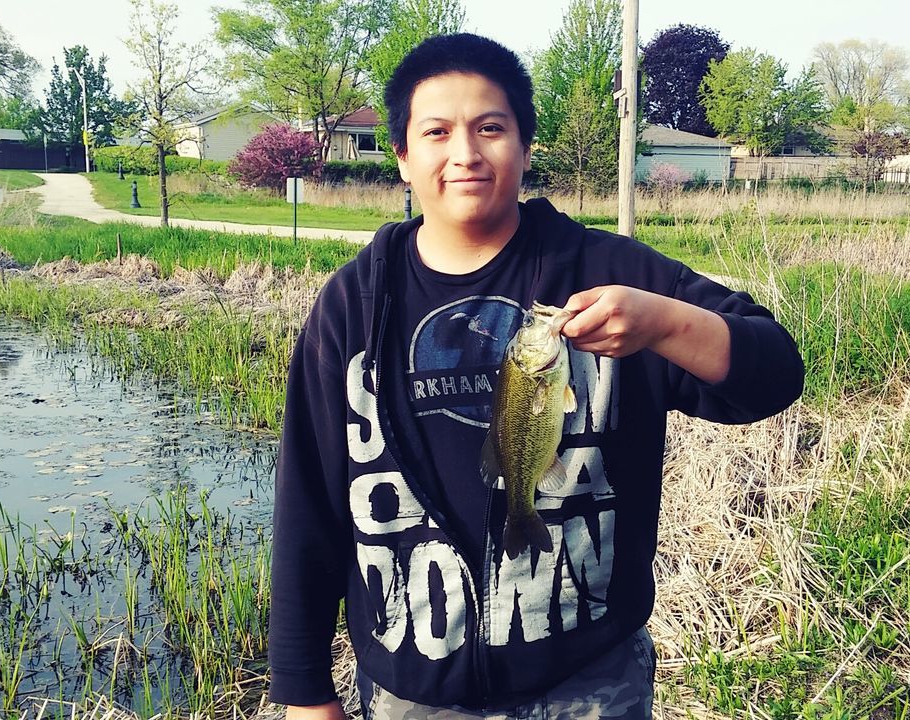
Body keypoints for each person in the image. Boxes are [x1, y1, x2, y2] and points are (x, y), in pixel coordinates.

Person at [269, 33, 805, 720]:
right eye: (437, 132)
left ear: (526, 148)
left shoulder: (613, 275)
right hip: (413, 689)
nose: (465, 152)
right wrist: (304, 692)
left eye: (491, 128)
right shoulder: (352, 304)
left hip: (590, 683)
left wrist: (665, 324)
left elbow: (776, 374)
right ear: (402, 157)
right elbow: (308, 498)